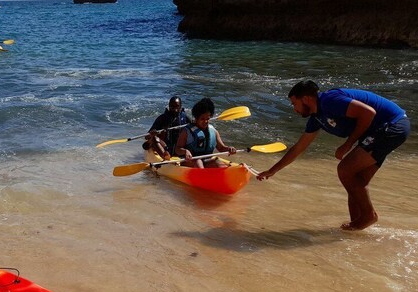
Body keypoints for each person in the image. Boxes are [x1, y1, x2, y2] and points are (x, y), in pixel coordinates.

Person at [257, 80, 410, 230]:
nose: (294, 109)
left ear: (306, 99)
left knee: (345, 169)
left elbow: (369, 113)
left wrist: (348, 144)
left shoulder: (330, 100)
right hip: (381, 130)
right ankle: (356, 226)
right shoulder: (316, 118)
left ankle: (368, 216)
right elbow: (299, 148)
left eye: (294, 103)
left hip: (393, 125)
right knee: (356, 181)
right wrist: (272, 170)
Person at [174, 98, 236, 168]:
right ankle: (202, 177)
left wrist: (229, 149)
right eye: (202, 119)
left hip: (206, 161)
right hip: (190, 162)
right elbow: (177, 149)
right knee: (198, 162)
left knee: (217, 162)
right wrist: (185, 151)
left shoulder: (214, 131)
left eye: (207, 119)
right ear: (196, 118)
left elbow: (221, 148)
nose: (205, 122)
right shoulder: (186, 131)